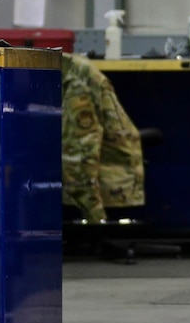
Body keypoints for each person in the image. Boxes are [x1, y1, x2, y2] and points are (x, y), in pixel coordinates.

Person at [61, 53, 146, 223]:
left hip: (106, 175)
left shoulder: (76, 83)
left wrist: (95, 218)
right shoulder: (61, 70)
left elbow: (81, 153)